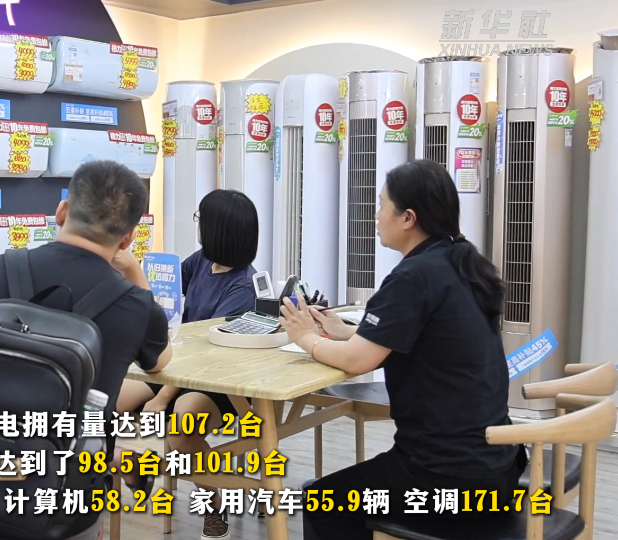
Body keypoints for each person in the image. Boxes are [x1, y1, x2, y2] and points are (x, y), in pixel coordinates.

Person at [278, 160, 526, 540]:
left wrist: (305, 337)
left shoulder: (414, 276)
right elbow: (425, 339)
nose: (376, 215)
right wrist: (344, 332)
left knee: (321, 501)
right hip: (498, 466)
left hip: (445, 476)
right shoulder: (463, 262)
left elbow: (358, 362)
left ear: (408, 218)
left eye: (382, 205)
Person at [0, 160, 173, 540]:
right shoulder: (136, 306)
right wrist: (135, 274)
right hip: (61, 514)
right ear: (128, 238)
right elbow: (160, 362)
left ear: (62, 212)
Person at [116, 188, 259, 540]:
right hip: (177, 365)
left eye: (201, 219)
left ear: (218, 229)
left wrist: (162, 397)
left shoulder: (242, 287)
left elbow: (209, 353)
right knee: (109, 400)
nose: (198, 225)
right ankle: (134, 467)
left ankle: (214, 502)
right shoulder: (202, 261)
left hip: (218, 379)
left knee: (183, 424)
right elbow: (166, 288)